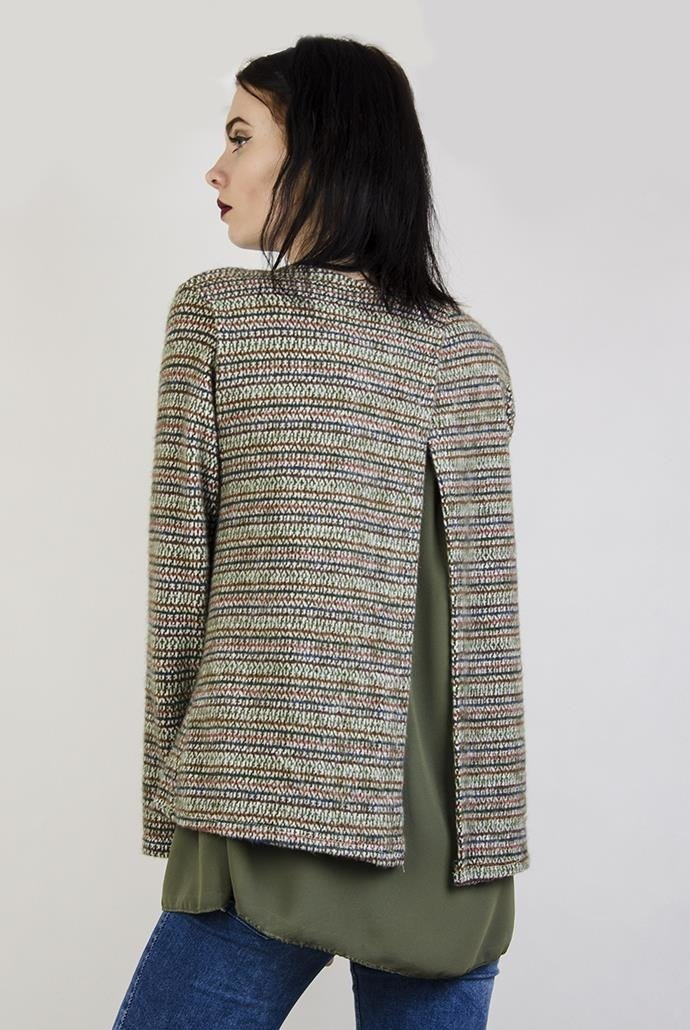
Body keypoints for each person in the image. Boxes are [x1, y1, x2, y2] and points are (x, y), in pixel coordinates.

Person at [113, 34, 529, 1030]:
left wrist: (173, 806)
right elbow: (477, 638)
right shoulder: (469, 353)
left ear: (323, 152)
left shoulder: (220, 318)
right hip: (448, 849)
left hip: (264, 814)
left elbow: (181, 581)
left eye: (240, 137)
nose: (216, 170)